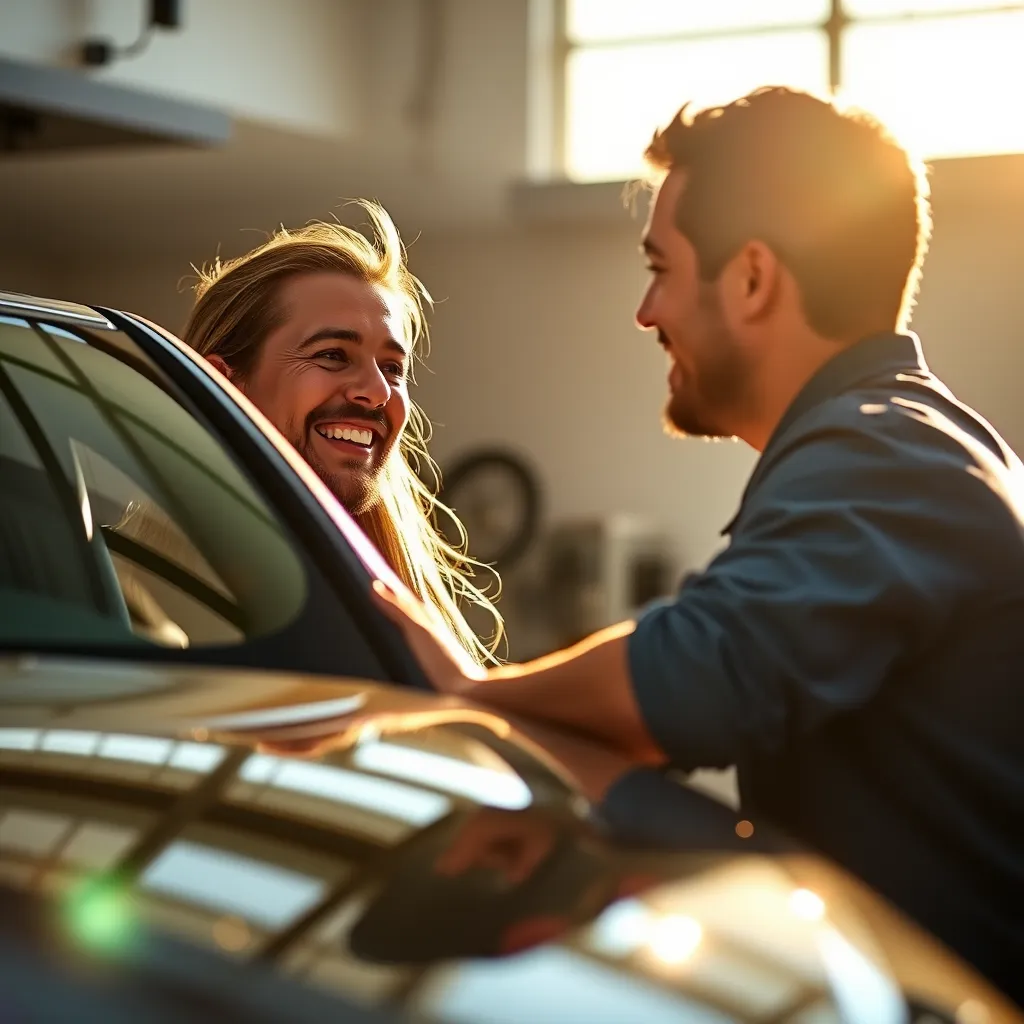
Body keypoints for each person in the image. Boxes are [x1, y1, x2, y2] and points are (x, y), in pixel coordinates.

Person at [373, 88, 1024, 1004]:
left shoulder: (885, 450)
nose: (647, 312)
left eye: (661, 266)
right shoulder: (901, 442)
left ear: (753, 279)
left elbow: (694, 681)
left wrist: (469, 695)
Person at [182, 200, 501, 666]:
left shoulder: (373, 600)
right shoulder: (136, 597)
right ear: (224, 386)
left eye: (393, 368)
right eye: (332, 354)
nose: (376, 391)